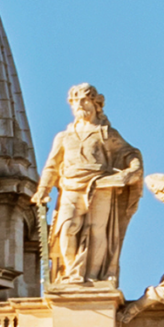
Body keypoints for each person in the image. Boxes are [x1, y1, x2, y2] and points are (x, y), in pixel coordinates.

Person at [36, 83, 144, 286]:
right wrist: (43, 189)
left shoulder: (107, 134)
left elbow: (129, 153)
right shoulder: (64, 137)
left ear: (96, 104)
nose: (79, 105)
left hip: (101, 184)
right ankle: (71, 272)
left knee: (97, 230)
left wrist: (134, 167)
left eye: (84, 100)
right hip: (70, 186)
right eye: (75, 101)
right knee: (66, 228)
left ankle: (93, 277)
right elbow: (51, 166)